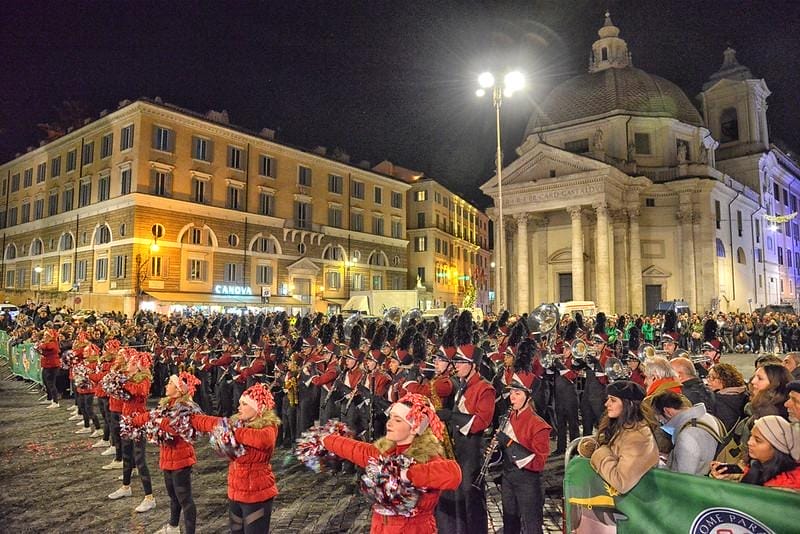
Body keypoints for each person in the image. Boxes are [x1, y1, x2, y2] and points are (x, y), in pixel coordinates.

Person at [323, 393, 462, 533]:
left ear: (414, 428)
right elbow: (356, 450)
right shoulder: (385, 453)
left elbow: (453, 474)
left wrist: (407, 474)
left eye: (398, 420)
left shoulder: (426, 458)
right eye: (390, 418)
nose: (389, 423)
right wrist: (325, 439)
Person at [191, 383, 279, 533]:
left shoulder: (268, 427)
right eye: (239, 403)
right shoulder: (238, 423)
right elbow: (212, 422)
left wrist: (232, 432)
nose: (239, 408)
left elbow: (263, 440)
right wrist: (192, 418)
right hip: (236, 492)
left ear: (260, 408)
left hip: (256, 494)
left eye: (244, 404)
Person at [575, 381, 658, 531]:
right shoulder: (622, 426)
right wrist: (593, 443)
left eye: (613, 400)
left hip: (633, 513)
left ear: (629, 404)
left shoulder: (638, 437)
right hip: (619, 510)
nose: (607, 404)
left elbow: (621, 482)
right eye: (608, 399)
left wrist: (599, 452)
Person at [131, 372, 201, 534]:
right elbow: (151, 416)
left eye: (170, 383)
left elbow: (174, 429)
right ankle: (173, 527)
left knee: (185, 499)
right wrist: (134, 421)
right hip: (168, 456)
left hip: (181, 458)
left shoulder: (185, 408)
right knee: (173, 496)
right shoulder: (167, 404)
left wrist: (157, 421)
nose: (166, 385)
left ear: (178, 389)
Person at [495, 341, 552, 534]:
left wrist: (508, 442)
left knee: (531, 527)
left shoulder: (539, 426)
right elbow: (506, 452)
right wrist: (496, 451)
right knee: (510, 525)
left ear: (528, 397)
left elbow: (537, 463)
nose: (512, 397)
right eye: (511, 392)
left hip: (528, 484)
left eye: (517, 393)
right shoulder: (509, 416)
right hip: (508, 478)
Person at [108, 349, 155, 513]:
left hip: (138, 421)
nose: (127, 365)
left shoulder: (144, 380)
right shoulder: (127, 378)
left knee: (140, 459)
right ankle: (126, 487)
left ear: (139, 367)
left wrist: (121, 381)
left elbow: (137, 391)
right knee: (127, 455)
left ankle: (150, 498)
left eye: (131, 363)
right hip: (126, 419)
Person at [710, 415, 800, 491]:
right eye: (751, 436)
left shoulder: (785, 491)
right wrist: (729, 476)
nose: (749, 442)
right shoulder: (758, 468)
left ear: (777, 448)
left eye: (758, 440)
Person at [651, 390, 724, 475]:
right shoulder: (709, 418)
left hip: (698, 485)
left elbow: (682, 479)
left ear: (668, 412)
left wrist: (658, 464)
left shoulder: (686, 436)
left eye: (661, 420)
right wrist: (674, 457)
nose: (662, 425)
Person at [706, 363, 748, 433]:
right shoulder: (741, 394)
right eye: (708, 377)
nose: (708, 380)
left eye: (712, 378)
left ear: (724, 380)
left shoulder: (722, 402)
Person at [36, 328, 62, 408]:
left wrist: (40, 345)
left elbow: (45, 347)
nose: (44, 337)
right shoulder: (48, 343)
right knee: (46, 382)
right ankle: (49, 398)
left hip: (52, 365)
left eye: (46, 335)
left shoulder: (53, 343)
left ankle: (55, 401)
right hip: (46, 365)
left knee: (51, 383)